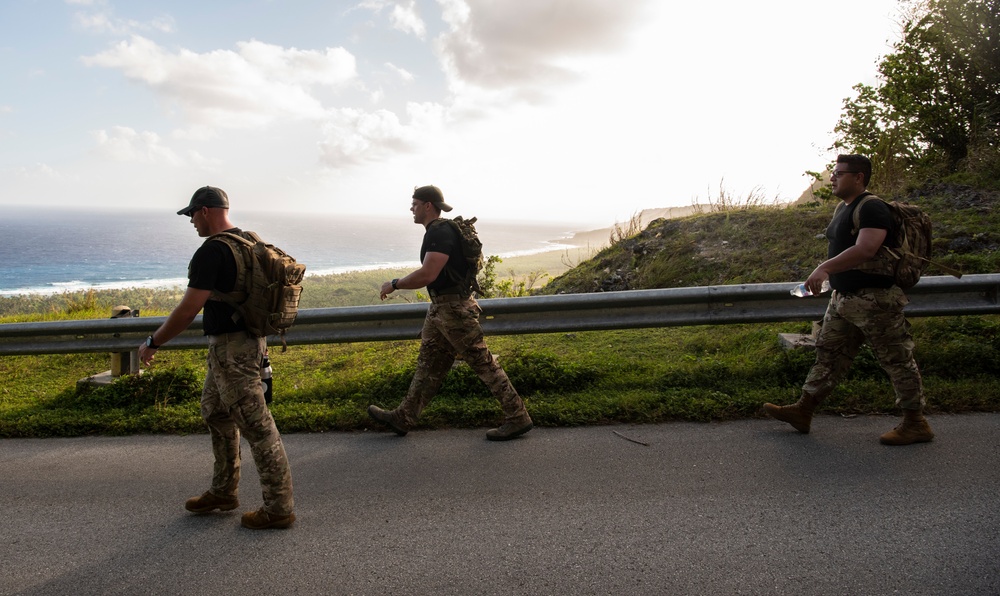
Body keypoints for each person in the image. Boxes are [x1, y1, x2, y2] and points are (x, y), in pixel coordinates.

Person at [138, 186, 296, 529]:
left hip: (233, 350)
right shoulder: (249, 241)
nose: (191, 222)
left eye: (192, 214)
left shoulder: (213, 251)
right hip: (244, 344)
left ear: (206, 210)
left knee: (258, 428)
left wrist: (153, 341)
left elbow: (188, 309)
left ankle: (279, 508)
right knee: (214, 411)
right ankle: (224, 490)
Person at [763, 155, 934, 446]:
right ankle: (803, 411)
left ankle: (915, 423)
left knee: (897, 360)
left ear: (859, 177)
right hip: (844, 299)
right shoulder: (844, 208)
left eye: (839, 174)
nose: (832, 178)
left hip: (875, 301)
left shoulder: (872, 208)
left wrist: (825, 268)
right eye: (833, 173)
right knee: (829, 355)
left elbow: (867, 248)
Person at [367, 185, 533, 441]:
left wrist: (395, 284)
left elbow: (428, 274)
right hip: (442, 308)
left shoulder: (439, 233)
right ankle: (404, 417)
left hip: (453, 310)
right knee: (428, 364)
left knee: (482, 362)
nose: (411, 208)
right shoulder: (440, 231)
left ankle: (517, 416)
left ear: (427, 205)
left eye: (414, 203)